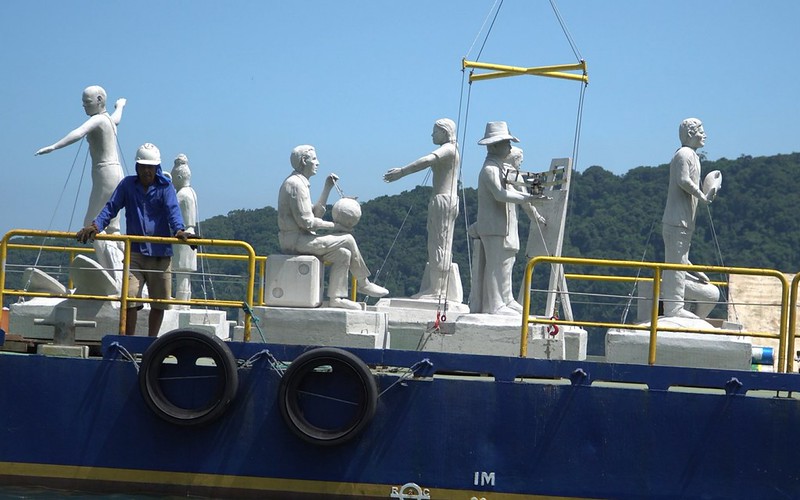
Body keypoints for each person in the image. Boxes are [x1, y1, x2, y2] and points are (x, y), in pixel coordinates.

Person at [76, 143, 190, 336]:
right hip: (135, 252)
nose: (147, 171)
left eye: (151, 167)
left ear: (157, 168)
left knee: (159, 302)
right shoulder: (128, 185)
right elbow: (111, 208)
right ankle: (127, 339)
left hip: (160, 255)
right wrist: (95, 226)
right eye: (143, 166)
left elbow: (173, 211)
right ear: (137, 167)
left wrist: (179, 230)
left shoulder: (165, 188)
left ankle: (151, 341)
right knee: (129, 298)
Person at [278, 145, 388, 310]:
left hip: (303, 238)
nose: (318, 163)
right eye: (314, 159)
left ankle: (337, 297)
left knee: (343, 254)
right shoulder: (295, 185)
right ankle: (364, 283)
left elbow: (315, 215)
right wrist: (337, 226)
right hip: (295, 241)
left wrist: (327, 188)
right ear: (303, 161)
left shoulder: (301, 183)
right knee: (348, 239)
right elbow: (306, 222)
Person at [384, 118, 460, 300]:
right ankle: (436, 288)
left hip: (443, 200)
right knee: (437, 243)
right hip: (444, 199)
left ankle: (438, 291)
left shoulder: (448, 149)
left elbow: (427, 160)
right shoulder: (451, 150)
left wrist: (402, 172)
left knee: (439, 244)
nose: (432, 134)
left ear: (444, 132)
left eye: (435, 131)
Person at [36, 85, 127, 235]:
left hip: (105, 173)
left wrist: (54, 146)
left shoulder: (98, 119)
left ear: (99, 100)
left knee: (91, 223)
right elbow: (117, 118)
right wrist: (120, 105)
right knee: (112, 225)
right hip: (117, 172)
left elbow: (79, 132)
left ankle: (111, 259)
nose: (83, 105)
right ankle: (121, 257)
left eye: (87, 101)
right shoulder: (108, 120)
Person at [470, 122, 538, 315]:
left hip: (504, 225)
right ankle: (494, 304)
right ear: (493, 146)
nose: (509, 146)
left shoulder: (502, 168)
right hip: (492, 225)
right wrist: (528, 197)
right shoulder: (490, 169)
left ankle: (506, 299)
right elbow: (500, 195)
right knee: (495, 264)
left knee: (507, 263)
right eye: (505, 142)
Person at [661, 118, 719, 318]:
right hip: (676, 220)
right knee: (675, 264)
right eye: (701, 131)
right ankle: (674, 309)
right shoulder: (684, 154)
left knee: (679, 260)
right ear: (690, 134)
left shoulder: (694, 156)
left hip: (685, 221)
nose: (705, 134)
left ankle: (678, 307)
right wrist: (702, 196)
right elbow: (683, 180)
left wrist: (696, 271)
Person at [170, 154, 198, 306]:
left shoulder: (181, 194)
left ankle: (181, 302)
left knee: (181, 271)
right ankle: (184, 301)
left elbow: (170, 209)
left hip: (184, 234)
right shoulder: (192, 192)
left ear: (179, 176)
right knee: (184, 273)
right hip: (191, 232)